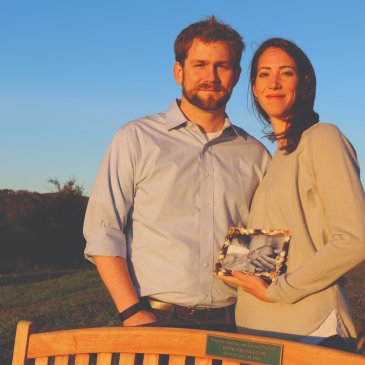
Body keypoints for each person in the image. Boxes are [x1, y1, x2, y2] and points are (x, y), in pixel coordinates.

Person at [83, 16, 270, 331]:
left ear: (236, 75)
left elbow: (257, 242)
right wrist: (132, 313)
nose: (210, 76)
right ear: (178, 71)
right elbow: (104, 230)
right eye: (199, 65)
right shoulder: (137, 138)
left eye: (222, 66)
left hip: (231, 323)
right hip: (153, 319)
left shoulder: (255, 154)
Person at [219, 37, 365, 350]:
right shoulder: (277, 157)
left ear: (305, 81)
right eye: (263, 74)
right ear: (255, 89)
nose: (274, 82)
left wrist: (277, 291)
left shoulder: (323, 138)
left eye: (286, 72)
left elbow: (355, 238)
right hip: (259, 334)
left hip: (310, 331)